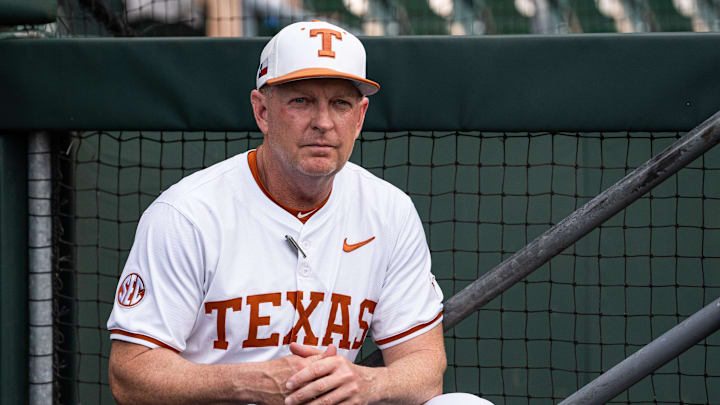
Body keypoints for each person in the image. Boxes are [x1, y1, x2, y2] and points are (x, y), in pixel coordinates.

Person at [107, 20, 493, 405]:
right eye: (301, 101)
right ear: (262, 111)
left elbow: (424, 365)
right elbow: (130, 374)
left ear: (359, 118)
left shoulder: (388, 211)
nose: (323, 123)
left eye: (340, 104)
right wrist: (246, 381)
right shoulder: (188, 214)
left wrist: (366, 384)